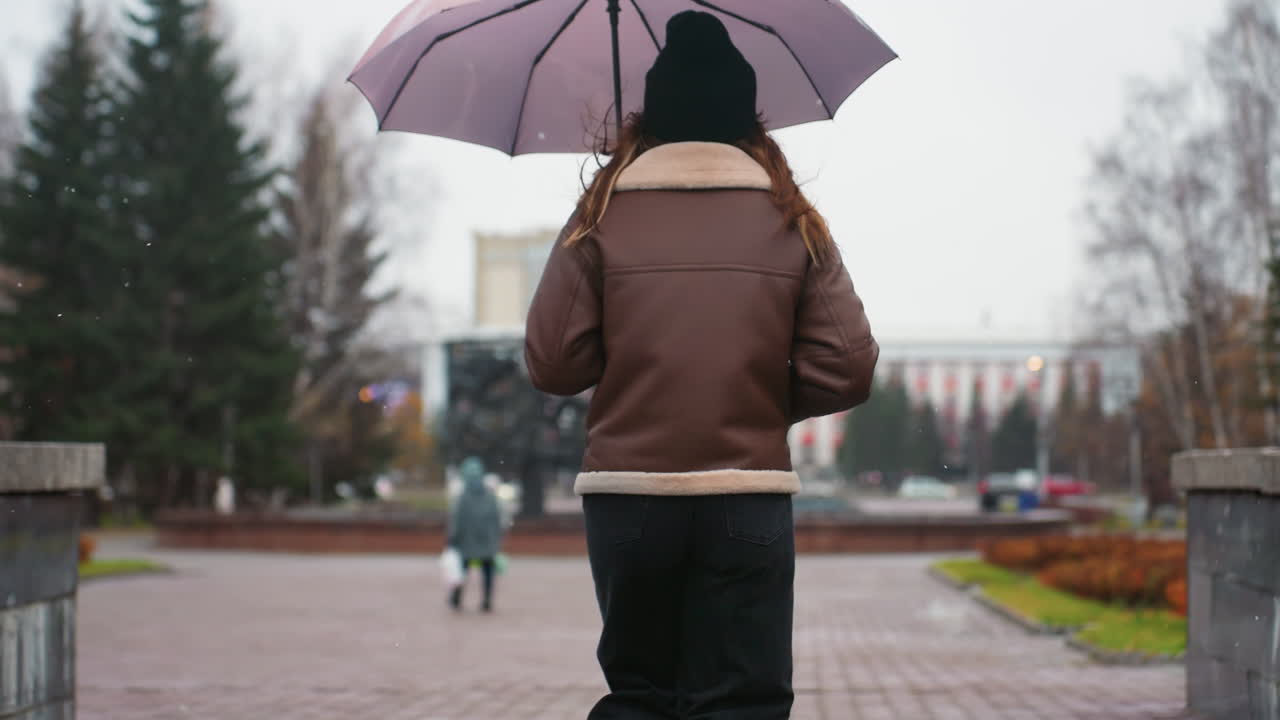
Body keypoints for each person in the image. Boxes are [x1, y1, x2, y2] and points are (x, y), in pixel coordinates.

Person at [524, 11, 879, 720]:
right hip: (745, 496)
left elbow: (554, 362)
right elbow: (847, 366)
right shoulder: (792, 217)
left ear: (651, 117)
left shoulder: (600, 215)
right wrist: (754, 396)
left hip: (629, 502)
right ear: (749, 120)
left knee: (642, 697)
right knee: (743, 702)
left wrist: (634, 370)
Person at [446, 456, 504, 613]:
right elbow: (498, 519)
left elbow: (457, 521)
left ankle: (457, 597)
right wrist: (496, 538)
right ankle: (487, 600)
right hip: (487, 542)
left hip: (466, 542)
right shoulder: (490, 496)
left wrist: (452, 539)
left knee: (461, 571)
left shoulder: (462, 497)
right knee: (487, 572)